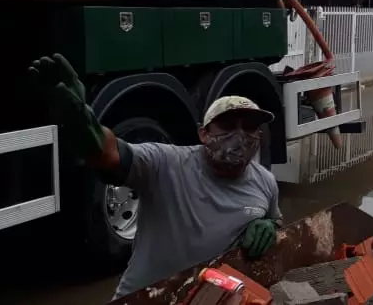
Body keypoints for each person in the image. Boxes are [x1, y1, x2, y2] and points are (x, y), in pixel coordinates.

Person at [28, 54, 281, 300]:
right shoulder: (166, 164)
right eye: (227, 125)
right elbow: (108, 153)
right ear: (203, 134)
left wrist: (270, 227)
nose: (239, 135)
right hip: (145, 299)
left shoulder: (265, 182)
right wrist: (82, 122)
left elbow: (275, 222)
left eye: (249, 127)